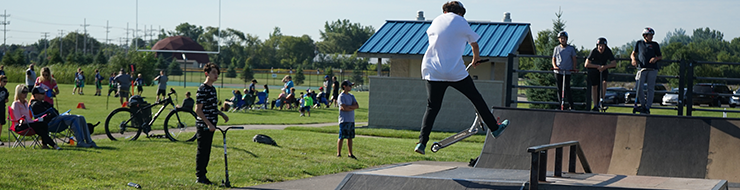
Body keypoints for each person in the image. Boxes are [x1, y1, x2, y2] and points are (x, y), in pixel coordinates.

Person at [415, 1, 509, 155]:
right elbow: (474, 45)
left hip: (432, 69)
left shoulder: (436, 20)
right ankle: (495, 128)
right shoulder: (460, 20)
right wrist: (475, 58)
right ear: (460, 12)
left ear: (445, 10)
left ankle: (421, 143)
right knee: (475, 98)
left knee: (432, 107)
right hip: (454, 71)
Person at [194, 62, 229, 185]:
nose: (216, 75)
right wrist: (208, 124)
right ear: (206, 73)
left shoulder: (213, 89)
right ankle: (200, 176)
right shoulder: (202, 89)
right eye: (213, 72)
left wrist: (221, 114)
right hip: (204, 126)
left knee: (207, 151)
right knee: (202, 151)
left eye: (217, 73)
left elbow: (212, 108)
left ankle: (203, 175)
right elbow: (198, 110)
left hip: (211, 125)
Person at [30, 86, 97, 148]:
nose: (44, 94)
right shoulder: (35, 105)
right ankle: (80, 142)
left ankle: (89, 141)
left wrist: (53, 113)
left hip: (56, 120)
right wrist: (52, 113)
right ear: (35, 95)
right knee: (74, 118)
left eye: (44, 93)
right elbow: (46, 116)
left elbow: (55, 112)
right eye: (42, 93)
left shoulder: (44, 103)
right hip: (49, 124)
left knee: (81, 117)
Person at [11, 84, 60, 150]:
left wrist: (34, 121)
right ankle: (52, 145)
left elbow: (28, 117)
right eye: (23, 92)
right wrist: (31, 122)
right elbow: (18, 118)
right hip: (20, 126)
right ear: (19, 93)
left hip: (29, 124)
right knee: (43, 125)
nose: (25, 94)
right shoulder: (15, 104)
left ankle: (48, 145)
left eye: (26, 92)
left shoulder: (25, 103)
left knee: (42, 128)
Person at [631, 27, 662, 114]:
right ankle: (642, 104)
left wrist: (656, 58)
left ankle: (648, 106)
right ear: (645, 36)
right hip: (642, 69)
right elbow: (633, 53)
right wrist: (633, 59)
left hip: (652, 69)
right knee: (638, 87)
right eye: (649, 35)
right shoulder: (639, 43)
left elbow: (660, 56)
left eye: (652, 35)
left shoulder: (655, 44)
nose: (651, 37)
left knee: (650, 88)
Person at [585, 37, 617, 111]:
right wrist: (597, 66)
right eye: (600, 46)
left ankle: (601, 100)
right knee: (594, 86)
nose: (601, 47)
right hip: (594, 70)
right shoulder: (594, 51)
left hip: (604, 69)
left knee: (604, 82)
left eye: (603, 46)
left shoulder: (608, 51)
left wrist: (605, 67)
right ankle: (595, 104)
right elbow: (586, 64)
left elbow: (614, 63)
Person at [552, 31, 578, 110]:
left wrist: (574, 68)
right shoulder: (556, 48)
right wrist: (555, 66)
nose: (562, 40)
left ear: (566, 39)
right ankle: (560, 105)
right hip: (558, 71)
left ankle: (571, 105)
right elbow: (553, 59)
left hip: (567, 71)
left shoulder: (571, 49)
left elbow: (574, 59)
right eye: (561, 39)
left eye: (564, 38)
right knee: (559, 88)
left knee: (567, 87)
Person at [337, 80, 358, 159]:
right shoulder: (341, 96)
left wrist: (349, 107)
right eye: (349, 86)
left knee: (350, 137)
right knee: (341, 137)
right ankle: (338, 153)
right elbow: (343, 108)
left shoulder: (351, 96)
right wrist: (351, 107)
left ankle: (350, 153)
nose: (351, 87)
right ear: (344, 87)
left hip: (351, 120)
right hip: (344, 120)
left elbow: (357, 105)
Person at [0, 75, 7, 146]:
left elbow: (6, 99)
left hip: (2, 108)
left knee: (1, 124)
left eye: (6, 82)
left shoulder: (5, 90)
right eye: (4, 81)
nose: (5, 83)